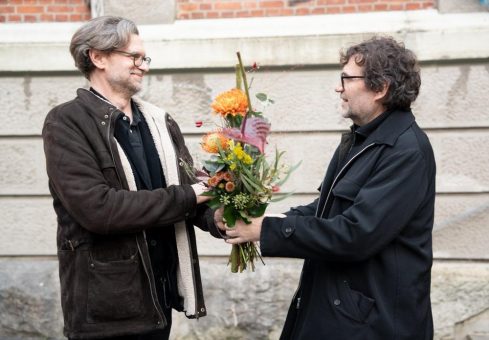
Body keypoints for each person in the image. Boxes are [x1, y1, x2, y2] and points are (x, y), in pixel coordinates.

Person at [223, 36, 436, 339]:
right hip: (339, 313)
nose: (339, 87)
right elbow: (326, 209)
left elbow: (356, 235)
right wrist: (261, 220)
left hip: (374, 325)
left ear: (380, 88)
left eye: (346, 79)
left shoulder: (405, 150)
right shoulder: (361, 138)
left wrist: (266, 230)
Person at [42, 16, 222, 340]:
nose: (143, 66)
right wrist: (193, 195)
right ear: (97, 57)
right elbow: (100, 209)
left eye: (144, 58)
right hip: (107, 311)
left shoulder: (158, 120)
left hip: (159, 300)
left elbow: (185, 189)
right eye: (134, 57)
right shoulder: (66, 123)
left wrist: (220, 217)